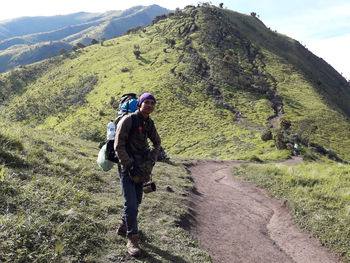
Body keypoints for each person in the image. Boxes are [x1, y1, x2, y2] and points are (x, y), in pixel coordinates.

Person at [114, 92, 161, 256]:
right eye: (146, 102)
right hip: (127, 168)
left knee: (137, 201)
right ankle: (132, 240)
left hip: (142, 168)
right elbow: (118, 146)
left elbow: (157, 142)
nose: (149, 105)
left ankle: (123, 225)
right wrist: (128, 165)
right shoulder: (129, 120)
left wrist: (151, 160)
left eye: (152, 103)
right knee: (131, 204)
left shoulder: (149, 123)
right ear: (140, 104)